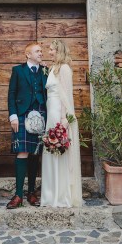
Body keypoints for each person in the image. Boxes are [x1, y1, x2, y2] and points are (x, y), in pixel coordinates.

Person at [40, 39, 83, 208]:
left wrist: (65, 118)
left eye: (51, 49)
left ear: (58, 51)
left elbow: (66, 94)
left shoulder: (65, 69)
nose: (49, 52)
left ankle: (61, 195)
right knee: (50, 149)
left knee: (59, 149)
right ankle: (50, 194)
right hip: (51, 110)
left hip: (59, 111)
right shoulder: (53, 68)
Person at [7, 42, 47, 209]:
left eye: (41, 51)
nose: (41, 53)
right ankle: (18, 195)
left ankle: (31, 192)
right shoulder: (18, 70)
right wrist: (13, 116)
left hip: (41, 115)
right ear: (28, 54)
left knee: (35, 153)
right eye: (37, 51)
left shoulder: (45, 70)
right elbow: (12, 93)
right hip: (22, 115)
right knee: (22, 152)